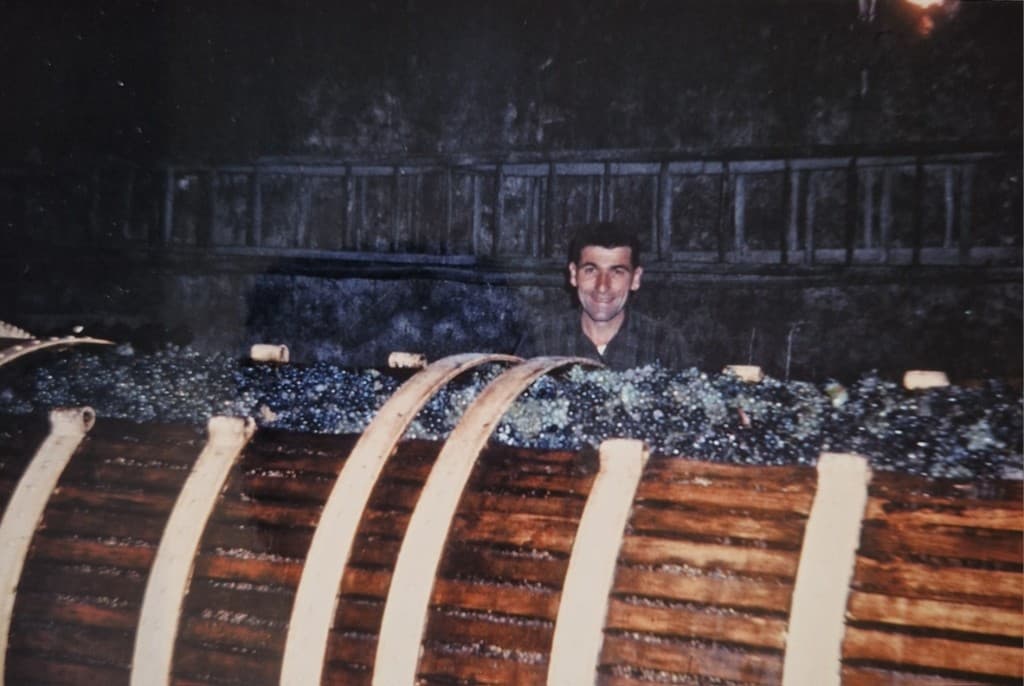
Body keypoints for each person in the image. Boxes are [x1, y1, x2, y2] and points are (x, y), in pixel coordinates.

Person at [515, 221, 690, 369]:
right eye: (591, 270)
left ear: (635, 279)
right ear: (574, 275)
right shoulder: (540, 341)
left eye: (617, 272)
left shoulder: (665, 345)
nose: (602, 286)